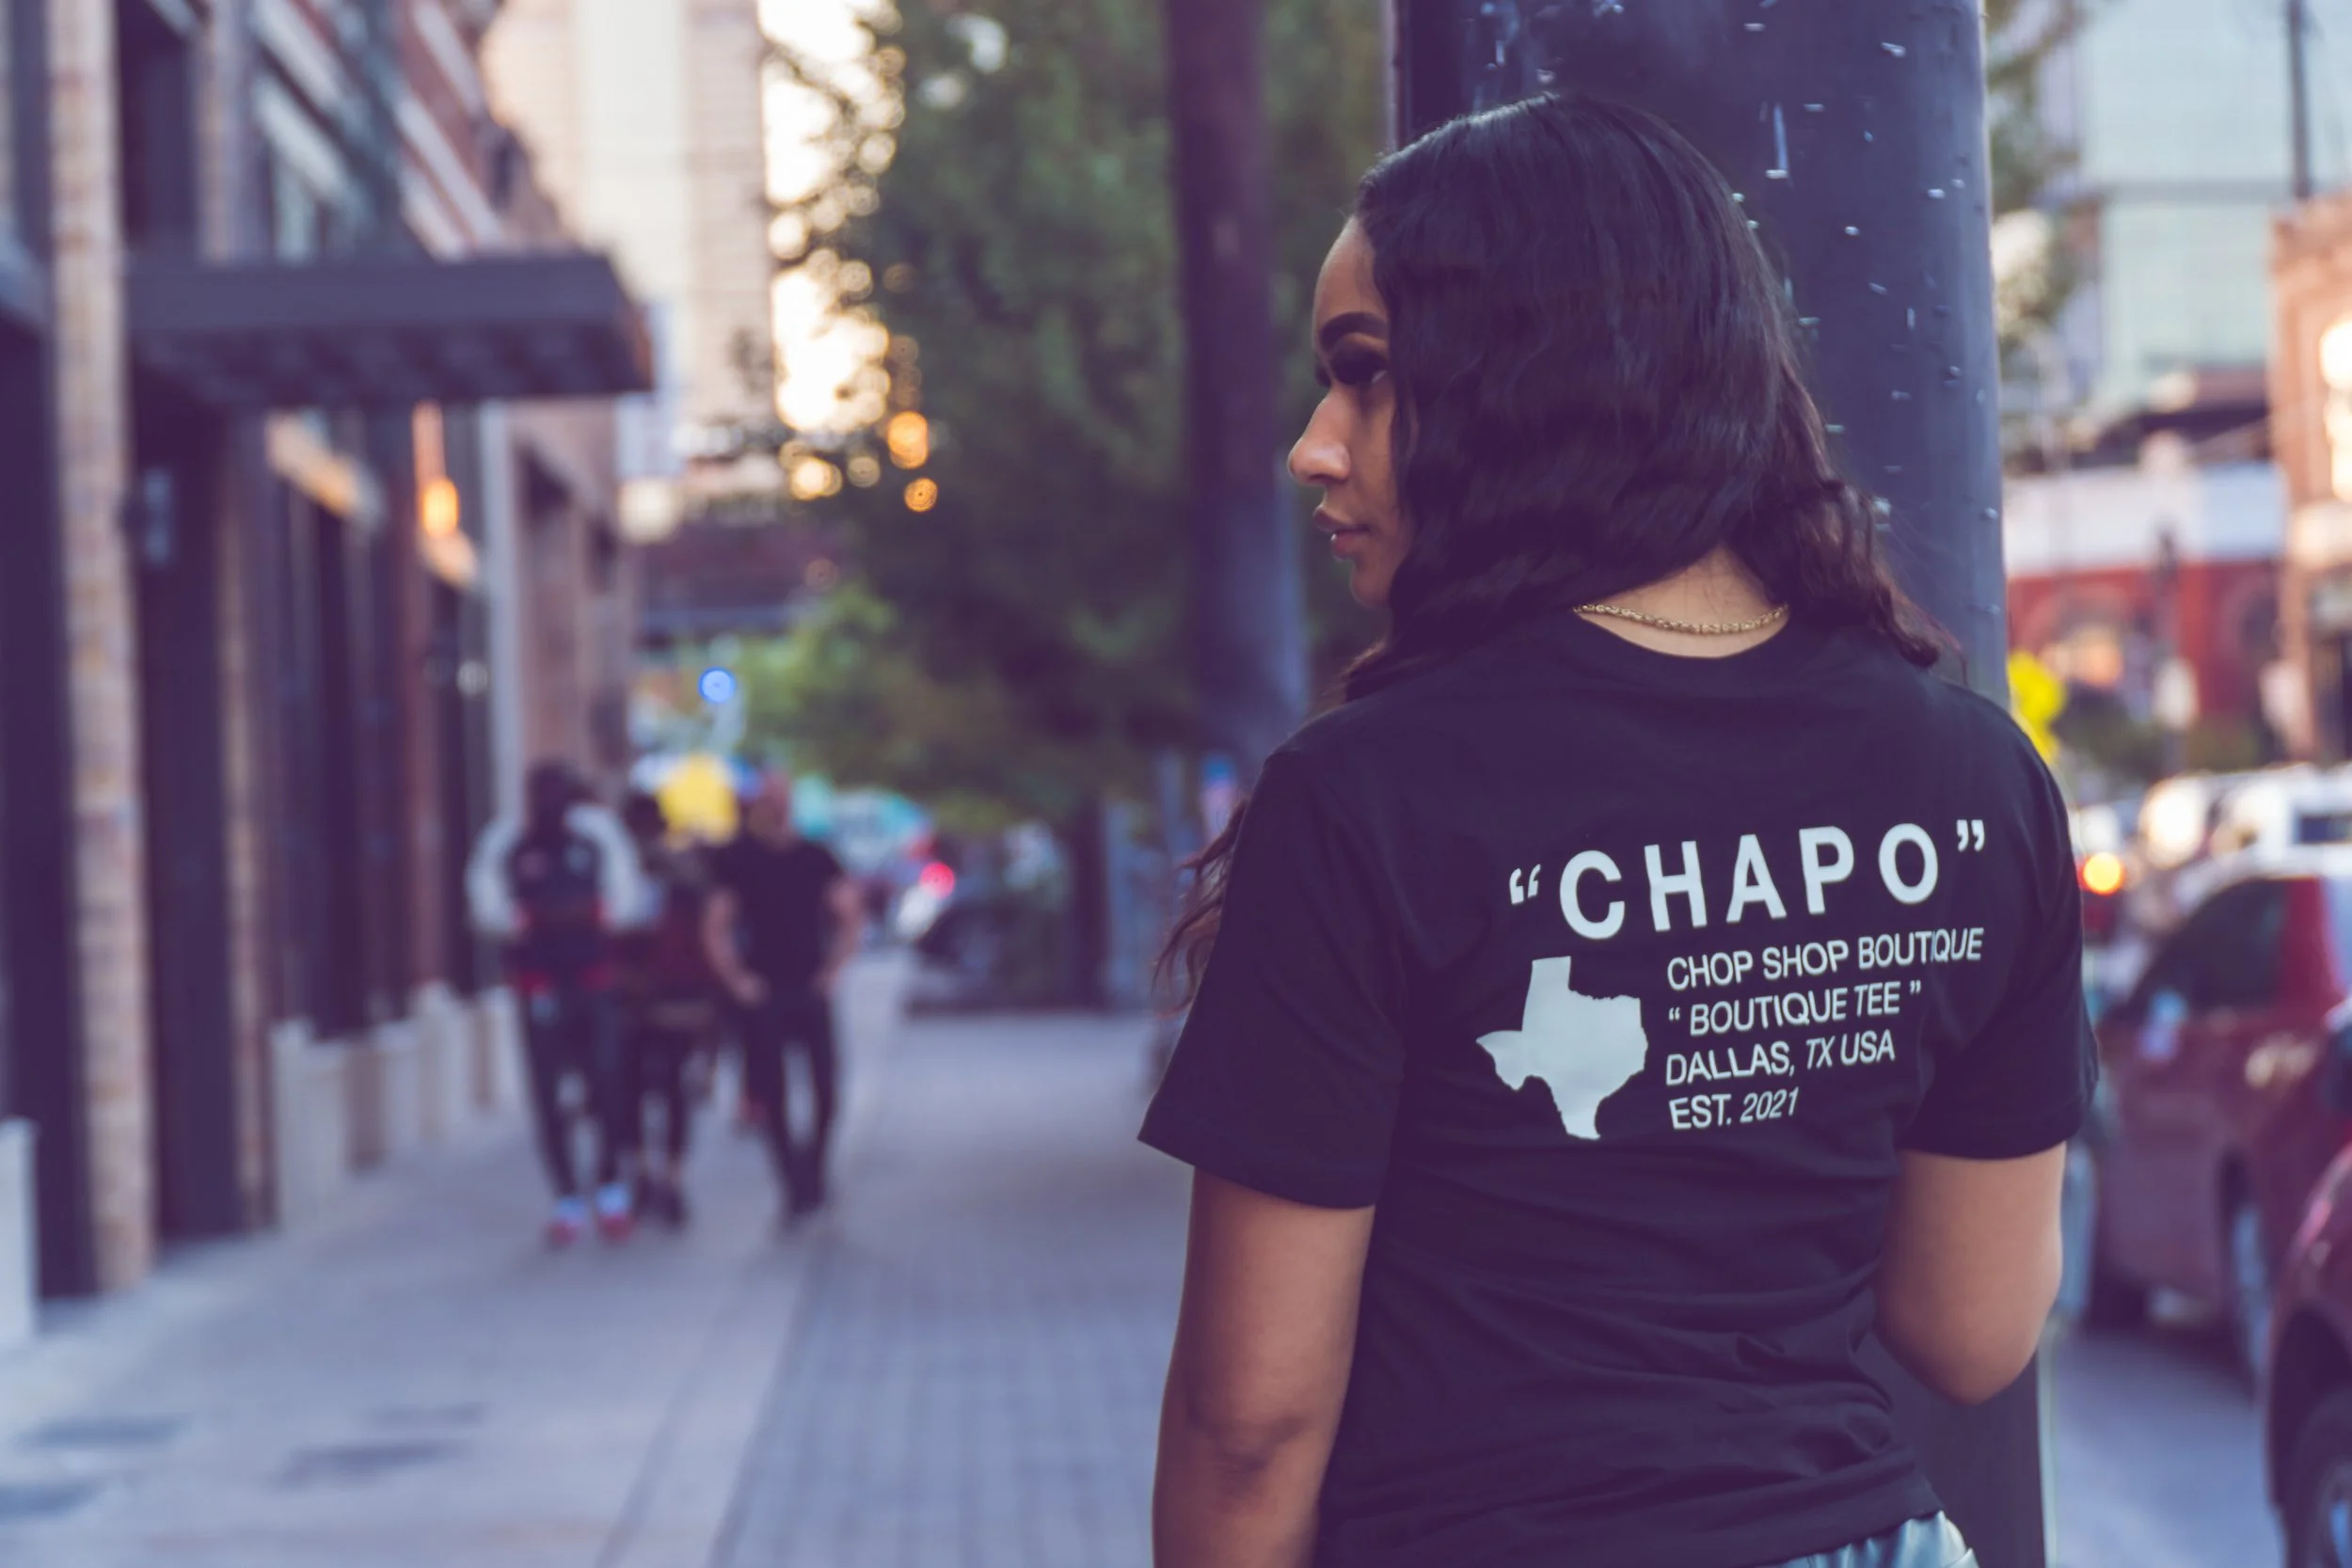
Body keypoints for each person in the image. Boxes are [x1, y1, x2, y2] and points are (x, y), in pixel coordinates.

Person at [1141, 96, 2093, 1568]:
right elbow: (1973, 1332)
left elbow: (1250, 1423)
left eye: (1365, 376)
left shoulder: (1368, 796)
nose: (1314, 448)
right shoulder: (1977, 776)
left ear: (1531, 376)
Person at [466, 760, 649, 1246]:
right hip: (540, 986)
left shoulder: (595, 840)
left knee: (609, 1084)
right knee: (547, 1095)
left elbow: (624, 902)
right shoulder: (509, 844)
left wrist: (579, 916)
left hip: (593, 983)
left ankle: (611, 1189)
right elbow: (489, 908)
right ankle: (566, 1196)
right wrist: (534, 920)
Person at [704, 770, 864, 1221]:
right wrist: (737, 980)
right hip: (765, 991)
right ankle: (792, 1182)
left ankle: (814, 1170)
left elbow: (850, 913)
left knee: (826, 1089)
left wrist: (834, 970)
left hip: (808, 985)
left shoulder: (816, 857)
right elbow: (716, 926)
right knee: (771, 1093)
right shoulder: (740, 861)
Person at [614, 791, 720, 1228]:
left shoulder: (679, 876)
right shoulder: (622, 874)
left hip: (668, 997)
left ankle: (662, 1177)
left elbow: (703, 938)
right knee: (644, 1090)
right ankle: (652, 1176)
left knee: (658, 1090)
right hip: (643, 999)